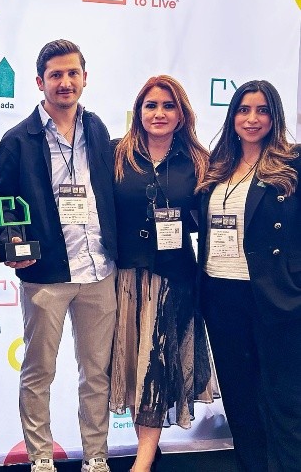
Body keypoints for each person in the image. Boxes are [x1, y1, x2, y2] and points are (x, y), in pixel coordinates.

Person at [0, 39, 117, 472]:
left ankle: (96, 456)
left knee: (96, 373)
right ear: (39, 81)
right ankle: (40, 457)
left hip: (99, 271)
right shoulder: (17, 139)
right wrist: (11, 246)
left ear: (85, 78)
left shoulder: (97, 129)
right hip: (45, 273)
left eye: (72, 73)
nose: (65, 82)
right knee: (39, 371)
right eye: (56, 75)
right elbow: (1, 200)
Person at [109, 76, 216, 471]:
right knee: (131, 365)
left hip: (173, 280)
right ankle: (143, 452)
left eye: (168, 106)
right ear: (138, 111)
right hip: (124, 278)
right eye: (151, 105)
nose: (159, 113)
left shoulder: (200, 162)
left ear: (181, 114)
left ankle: (142, 460)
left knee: (157, 366)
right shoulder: (115, 154)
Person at [196, 80, 301, 471]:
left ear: (274, 116)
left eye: (262, 110)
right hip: (221, 296)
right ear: (232, 116)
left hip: (275, 296)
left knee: (284, 400)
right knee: (239, 399)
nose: (252, 119)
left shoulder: (292, 164)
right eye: (243, 110)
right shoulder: (216, 167)